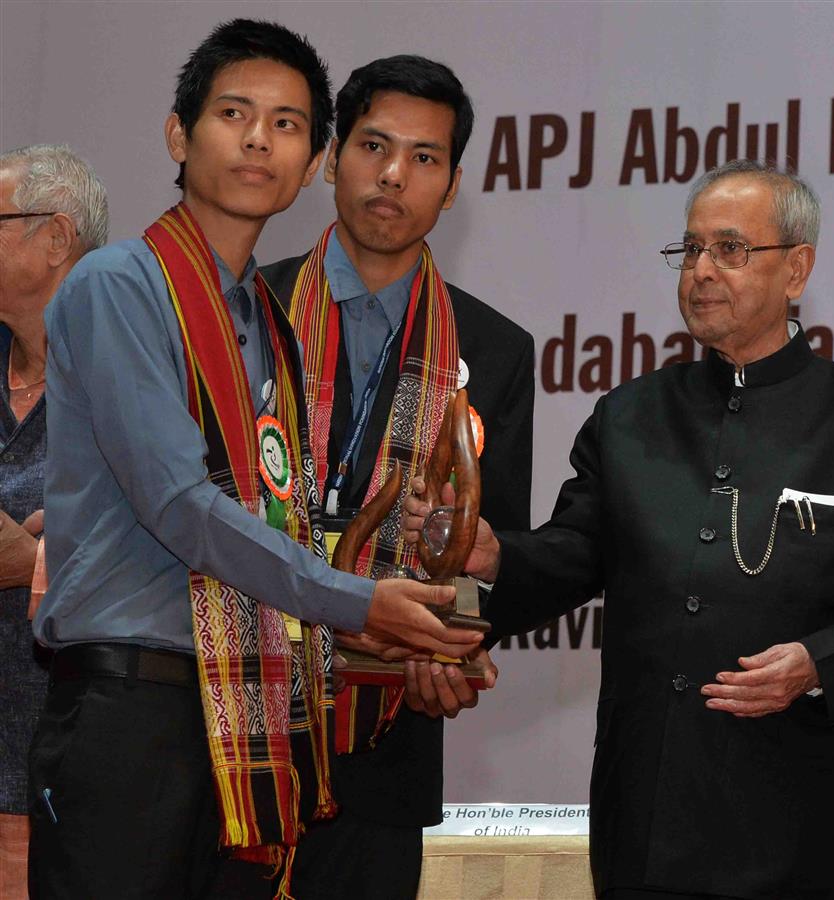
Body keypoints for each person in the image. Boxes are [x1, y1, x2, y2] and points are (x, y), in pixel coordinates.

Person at [405, 159, 834, 898]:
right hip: (646, 814)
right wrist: (495, 554)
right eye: (691, 250)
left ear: (797, 270)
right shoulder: (630, 416)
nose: (701, 270)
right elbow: (574, 555)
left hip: (793, 817)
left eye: (730, 250)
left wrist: (819, 664)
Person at [28, 20, 483, 898]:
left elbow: (280, 517)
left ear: (311, 162)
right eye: (234, 112)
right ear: (177, 133)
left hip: (242, 715)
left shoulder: (264, 323)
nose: (257, 140)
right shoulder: (118, 284)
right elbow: (179, 505)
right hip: (133, 709)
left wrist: (425, 629)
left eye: (286, 125)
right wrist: (358, 601)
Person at [260, 55, 535, 899]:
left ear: (452, 187)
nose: (393, 175)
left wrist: (454, 644)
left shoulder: (494, 348)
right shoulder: (248, 310)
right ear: (333, 156)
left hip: (387, 751)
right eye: (374, 145)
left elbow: (494, 555)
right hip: (236, 736)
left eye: (425, 158)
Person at [0, 144, 106, 899]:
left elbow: (174, 526)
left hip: (63, 768)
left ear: (56, 239)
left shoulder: (119, 370)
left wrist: (36, 559)